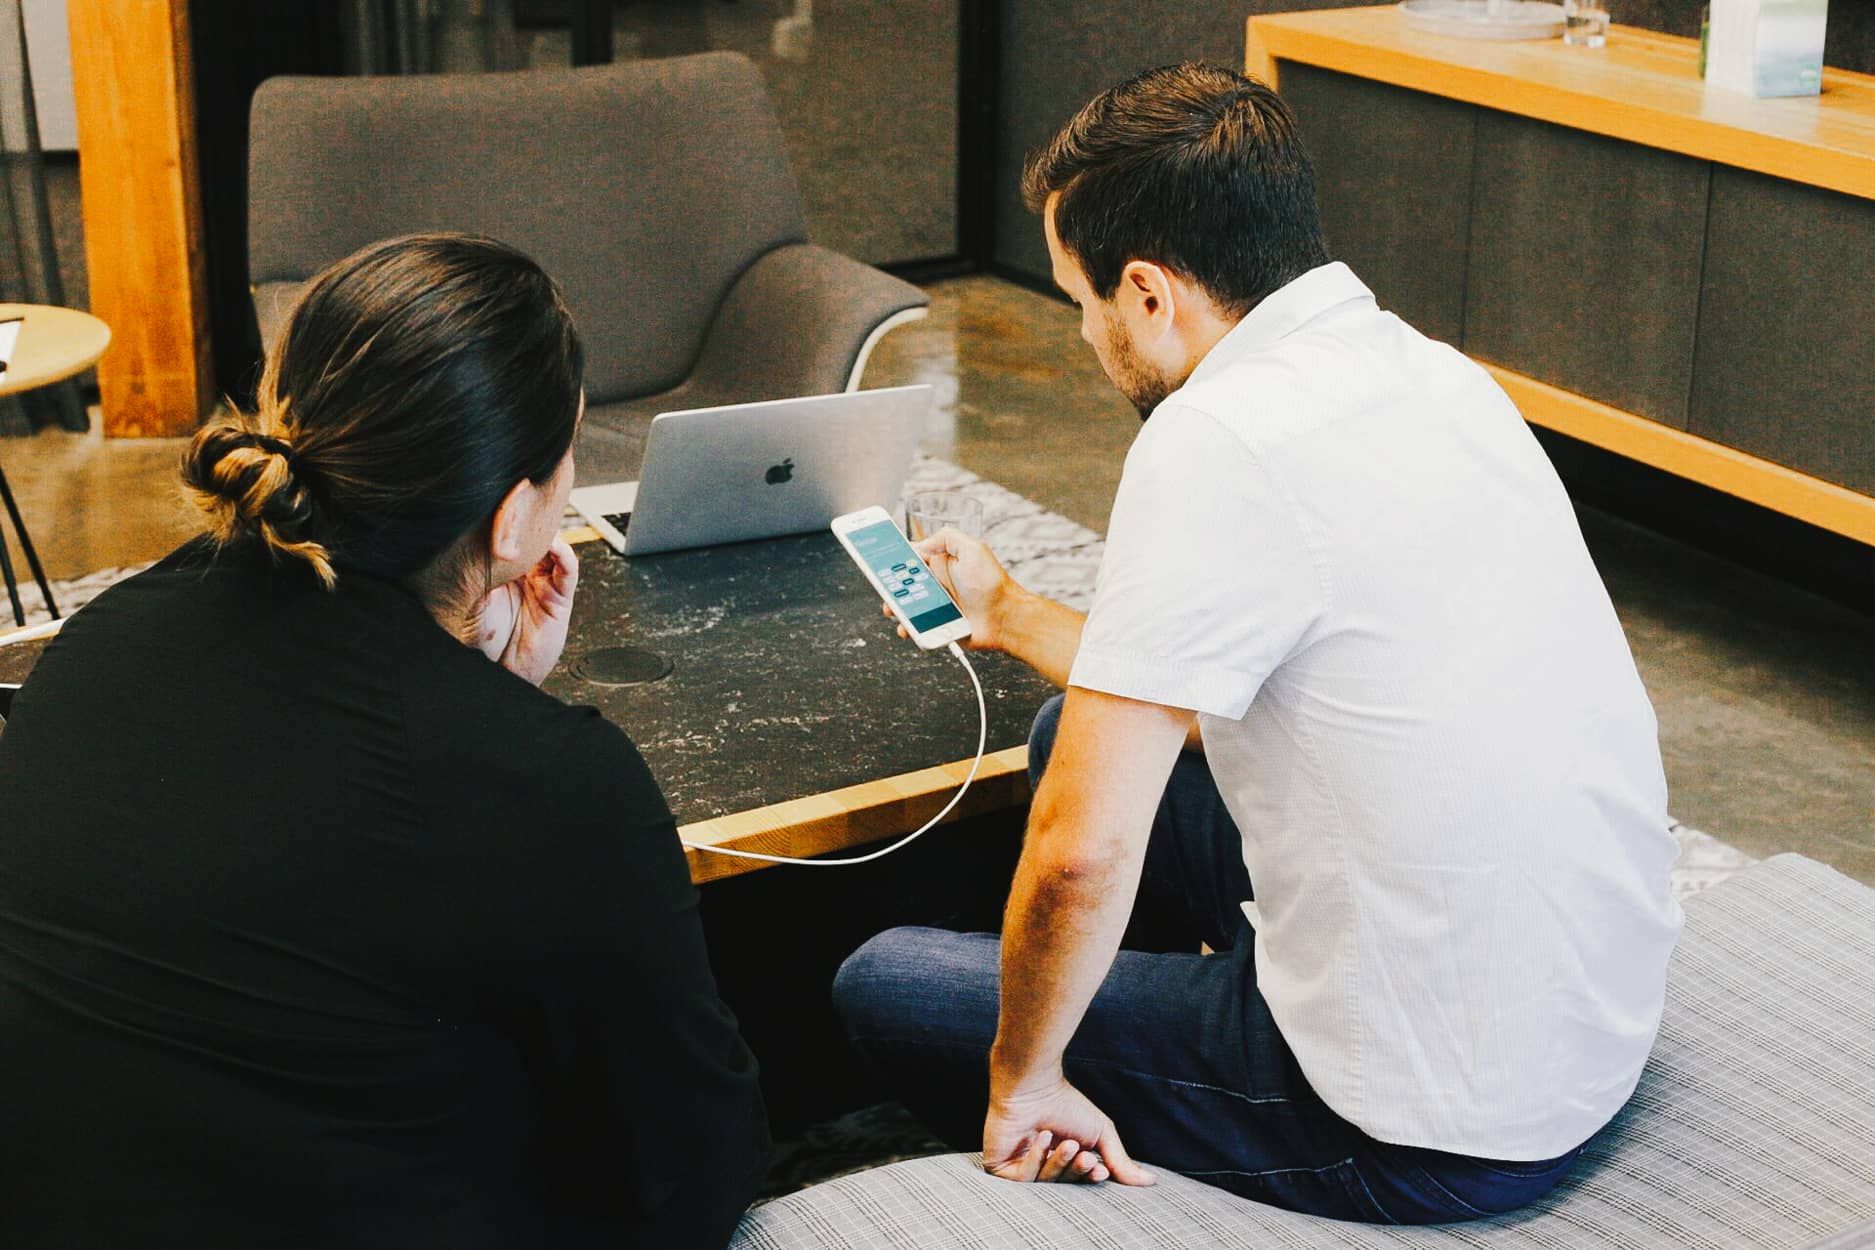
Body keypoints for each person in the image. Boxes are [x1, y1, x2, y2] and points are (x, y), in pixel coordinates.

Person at [832, 64, 1682, 1224]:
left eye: (1077, 300)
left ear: (1146, 294)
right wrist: (1012, 611)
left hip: (1430, 1125)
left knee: (888, 986)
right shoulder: (1430, 372)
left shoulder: (1213, 444)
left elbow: (1082, 851)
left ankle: (1166, 1086)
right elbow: (1213, 662)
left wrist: (1027, 1075)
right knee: (1055, 729)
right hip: (1579, 1025)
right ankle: (1204, 992)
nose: (1082, 332)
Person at [0, 233, 768, 1248]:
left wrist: (487, 697)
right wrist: (509, 725)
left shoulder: (99, 643)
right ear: (510, 521)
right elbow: (700, 1167)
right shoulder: (557, 784)